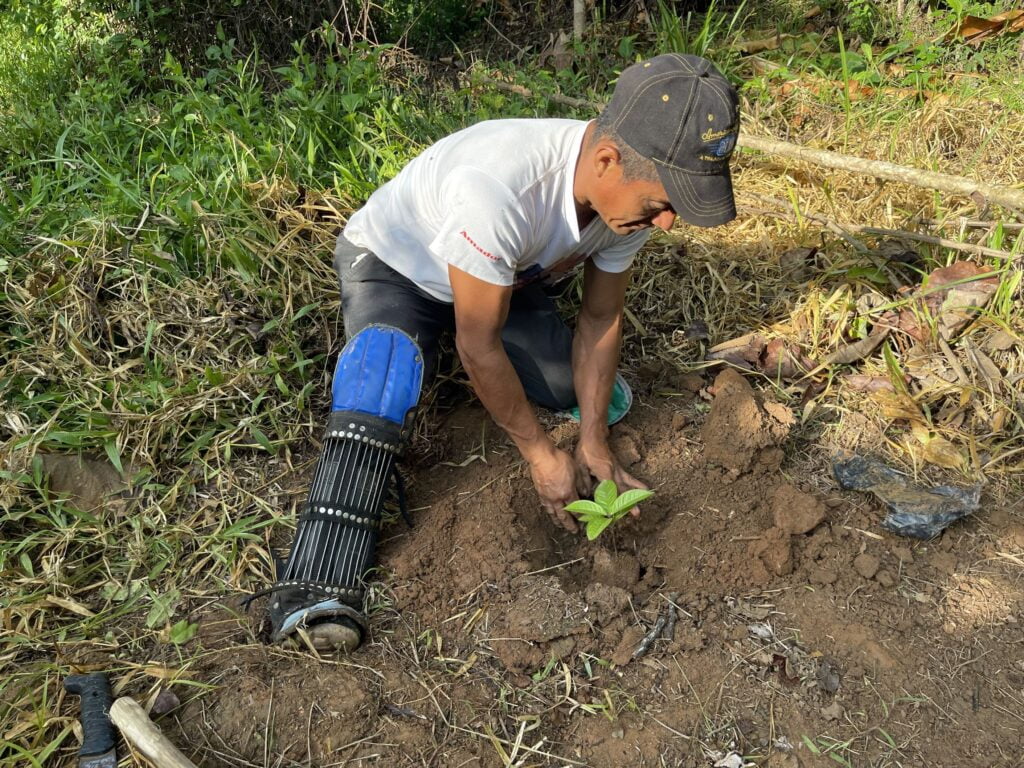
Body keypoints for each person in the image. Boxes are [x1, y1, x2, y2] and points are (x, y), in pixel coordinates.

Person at [264, 53, 739, 652]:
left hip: (505, 280)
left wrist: (592, 439)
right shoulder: (499, 189)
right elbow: (477, 340)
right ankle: (316, 582)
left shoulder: (627, 198)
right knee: (385, 374)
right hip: (397, 270)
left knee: (574, 387)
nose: (667, 223)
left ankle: (508, 388)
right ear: (606, 161)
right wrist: (541, 454)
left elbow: (600, 315)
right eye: (660, 204)